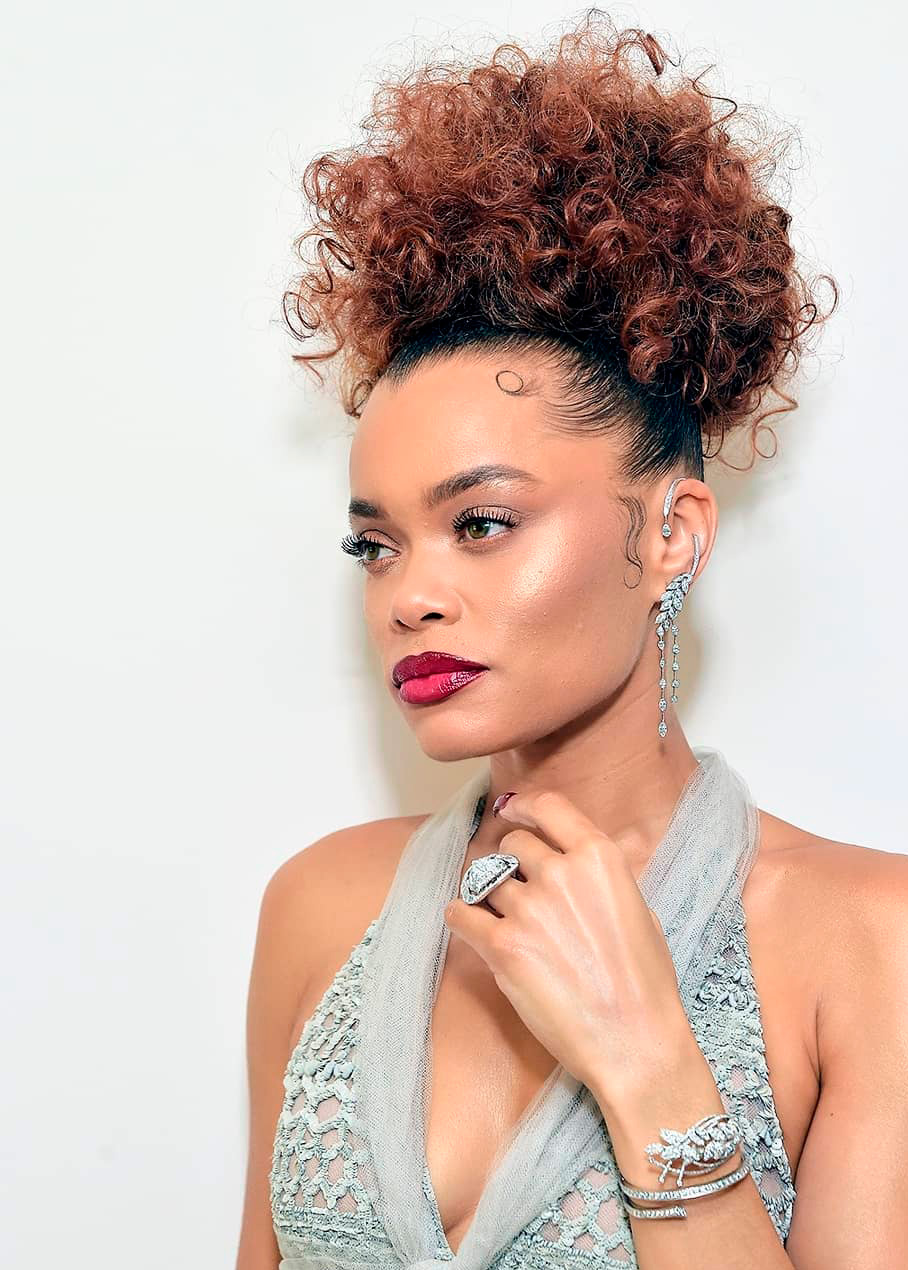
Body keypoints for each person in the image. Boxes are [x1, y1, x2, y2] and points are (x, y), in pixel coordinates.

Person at [236, 12, 908, 1269]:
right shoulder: (321, 907)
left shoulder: (867, 940)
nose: (410, 595)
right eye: (375, 545)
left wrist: (649, 1063)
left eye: (480, 523)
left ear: (669, 533)